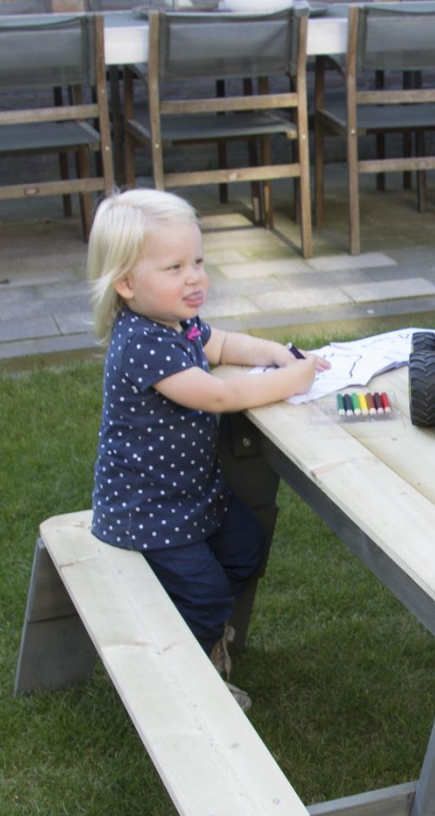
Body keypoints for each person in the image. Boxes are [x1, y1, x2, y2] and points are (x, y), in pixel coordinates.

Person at [85, 189, 328, 709]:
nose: (194, 277)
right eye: (174, 267)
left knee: (248, 545)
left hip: (192, 495)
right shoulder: (141, 344)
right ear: (126, 284)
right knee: (206, 595)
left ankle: (202, 630)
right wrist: (292, 382)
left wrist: (276, 354)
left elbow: (219, 345)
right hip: (147, 510)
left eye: (198, 261)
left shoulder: (176, 323)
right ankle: (186, 683)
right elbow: (220, 394)